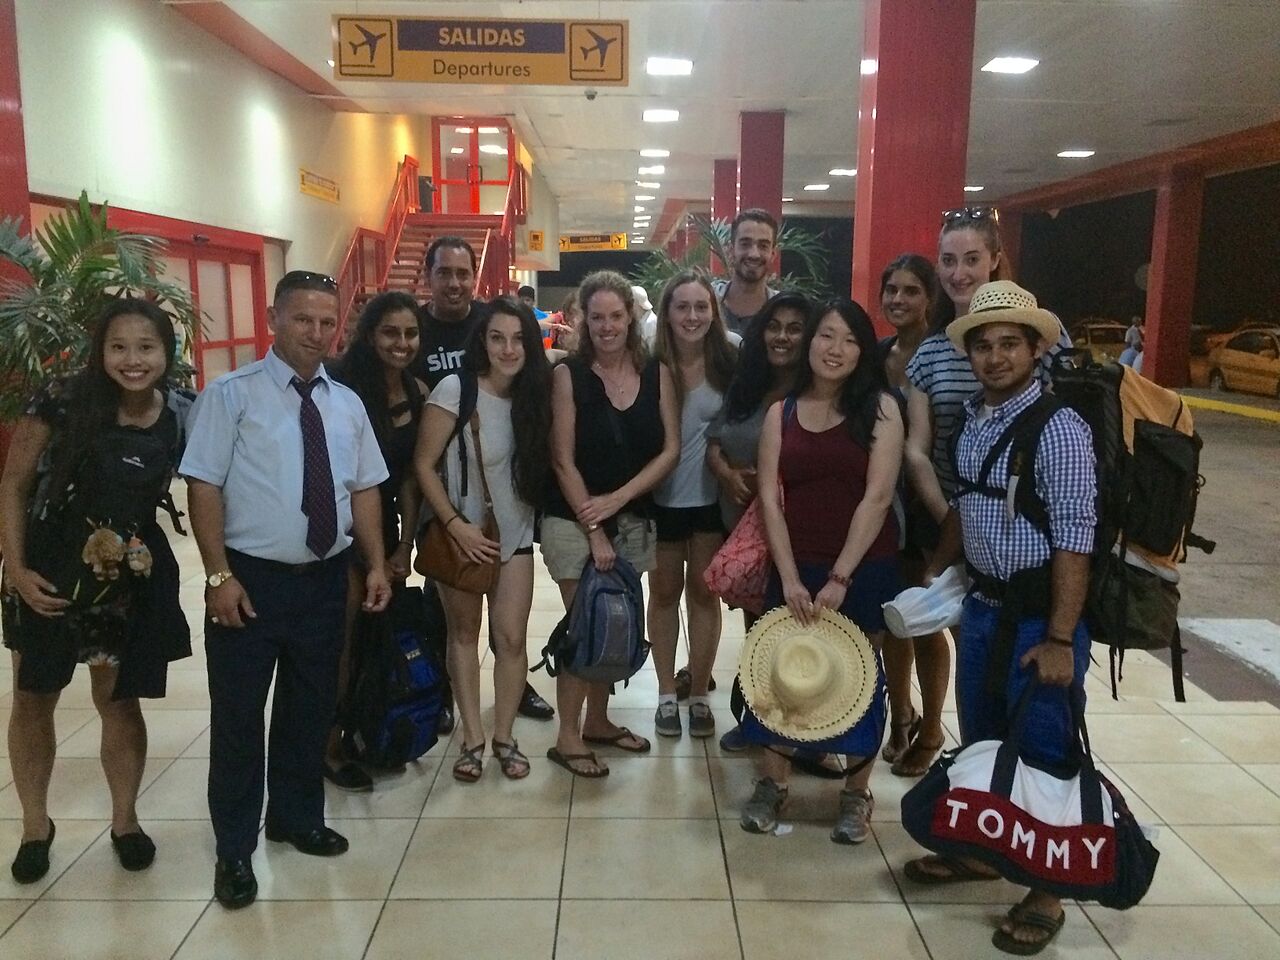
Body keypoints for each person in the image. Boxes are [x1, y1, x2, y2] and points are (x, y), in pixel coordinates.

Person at [181, 270, 392, 910]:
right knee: (240, 718)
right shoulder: (230, 396)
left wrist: (377, 563)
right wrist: (218, 575)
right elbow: (203, 486)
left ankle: (296, 818)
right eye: (304, 319)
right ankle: (234, 849)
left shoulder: (346, 402)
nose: (317, 333)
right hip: (249, 582)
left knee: (309, 709)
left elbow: (365, 489)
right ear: (276, 318)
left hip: (325, 581)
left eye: (329, 322)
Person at [902, 280, 1095, 956]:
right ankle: (986, 853)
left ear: (1036, 348)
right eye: (983, 346)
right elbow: (970, 504)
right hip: (983, 612)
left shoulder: (1059, 429)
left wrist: (1063, 639)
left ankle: (1046, 892)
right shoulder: (979, 420)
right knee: (986, 742)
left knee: (1044, 751)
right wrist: (936, 565)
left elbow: (1075, 535)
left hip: (1040, 622)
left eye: (1008, 343)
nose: (993, 357)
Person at [0, 298, 192, 883]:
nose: (132, 360)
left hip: (122, 584)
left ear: (166, 354)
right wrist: (16, 569)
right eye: (118, 347)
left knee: (118, 701)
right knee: (34, 697)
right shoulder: (62, 397)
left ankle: (125, 821)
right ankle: (36, 825)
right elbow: (13, 483)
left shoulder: (176, 414)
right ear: (100, 351)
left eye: (146, 347)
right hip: (46, 575)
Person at [739, 298, 903, 844]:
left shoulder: (880, 408)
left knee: (859, 677)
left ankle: (856, 794)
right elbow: (768, 497)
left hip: (862, 565)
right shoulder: (780, 412)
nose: (836, 350)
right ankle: (772, 782)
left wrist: (840, 576)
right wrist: (788, 577)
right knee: (783, 672)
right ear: (809, 344)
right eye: (826, 336)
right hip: (795, 563)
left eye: (850, 340)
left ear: (863, 351)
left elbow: (877, 498)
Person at [541, 270, 679, 777]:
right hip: (573, 521)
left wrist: (619, 500)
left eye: (615, 316)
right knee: (585, 625)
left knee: (613, 625)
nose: (606, 326)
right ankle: (567, 737)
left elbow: (670, 450)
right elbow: (561, 458)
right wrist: (595, 528)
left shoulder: (657, 373)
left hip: (632, 521)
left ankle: (598, 721)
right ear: (581, 320)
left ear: (631, 317)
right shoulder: (568, 376)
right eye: (595, 317)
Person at [413, 236, 555, 725]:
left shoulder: (536, 395)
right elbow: (423, 463)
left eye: (517, 339)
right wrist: (453, 524)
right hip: (461, 529)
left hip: (514, 535)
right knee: (461, 633)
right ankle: (468, 730)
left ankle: (503, 735)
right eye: (497, 338)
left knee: (512, 638)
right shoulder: (454, 385)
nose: (507, 348)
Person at [323, 291, 428, 792]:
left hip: (384, 526)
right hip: (337, 529)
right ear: (369, 334)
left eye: (410, 333)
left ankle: (369, 725)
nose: (401, 343)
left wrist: (402, 546)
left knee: (374, 636)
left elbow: (409, 478)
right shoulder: (338, 386)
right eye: (390, 332)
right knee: (340, 642)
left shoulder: (416, 391)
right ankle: (328, 745)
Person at [704, 291, 808, 751]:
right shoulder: (747, 385)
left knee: (797, 628)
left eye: (794, 328)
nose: (781, 336)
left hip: (796, 533)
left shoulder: (817, 390)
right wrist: (726, 473)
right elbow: (715, 441)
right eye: (774, 326)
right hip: (744, 534)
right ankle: (759, 720)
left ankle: (802, 727)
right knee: (757, 626)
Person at [648, 271, 737, 739]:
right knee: (663, 594)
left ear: (713, 311)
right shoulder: (649, 361)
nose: (692, 316)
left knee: (704, 595)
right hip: (660, 499)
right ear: (667, 313)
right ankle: (666, 693)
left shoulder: (732, 355)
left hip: (711, 501)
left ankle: (699, 692)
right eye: (681, 307)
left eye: (701, 306)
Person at [877, 255, 951, 777]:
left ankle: (932, 729)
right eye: (891, 290)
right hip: (888, 505)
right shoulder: (877, 356)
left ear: (929, 297)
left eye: (910, 291)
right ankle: (900, 716)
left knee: (927, 621)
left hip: (935, 503)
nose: (898, 300)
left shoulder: (947, 353)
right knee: (892, 619)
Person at [711, 209, 781, 335]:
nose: (754, 254)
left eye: (763, 246)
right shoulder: (707, 302)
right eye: (745, 244)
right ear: (731, 250)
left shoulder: (781, 310)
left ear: (773, 254)